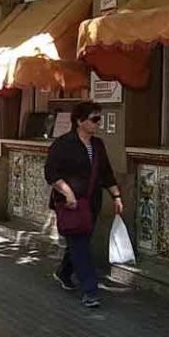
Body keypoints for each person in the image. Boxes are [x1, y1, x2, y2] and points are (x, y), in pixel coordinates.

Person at [44, 102, 122, 308]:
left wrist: (116, 195)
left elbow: (106, 172)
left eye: (100, 119)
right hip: (71, 205)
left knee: (80, 243)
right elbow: (51, 174)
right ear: (79, 121)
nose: (99, 123)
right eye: (94, 119)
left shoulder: (98, 145)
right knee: (80, 245)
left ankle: (63, 272)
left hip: (92, 202)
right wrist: (68, 193)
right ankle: (90, 290)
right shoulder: (62, 144)